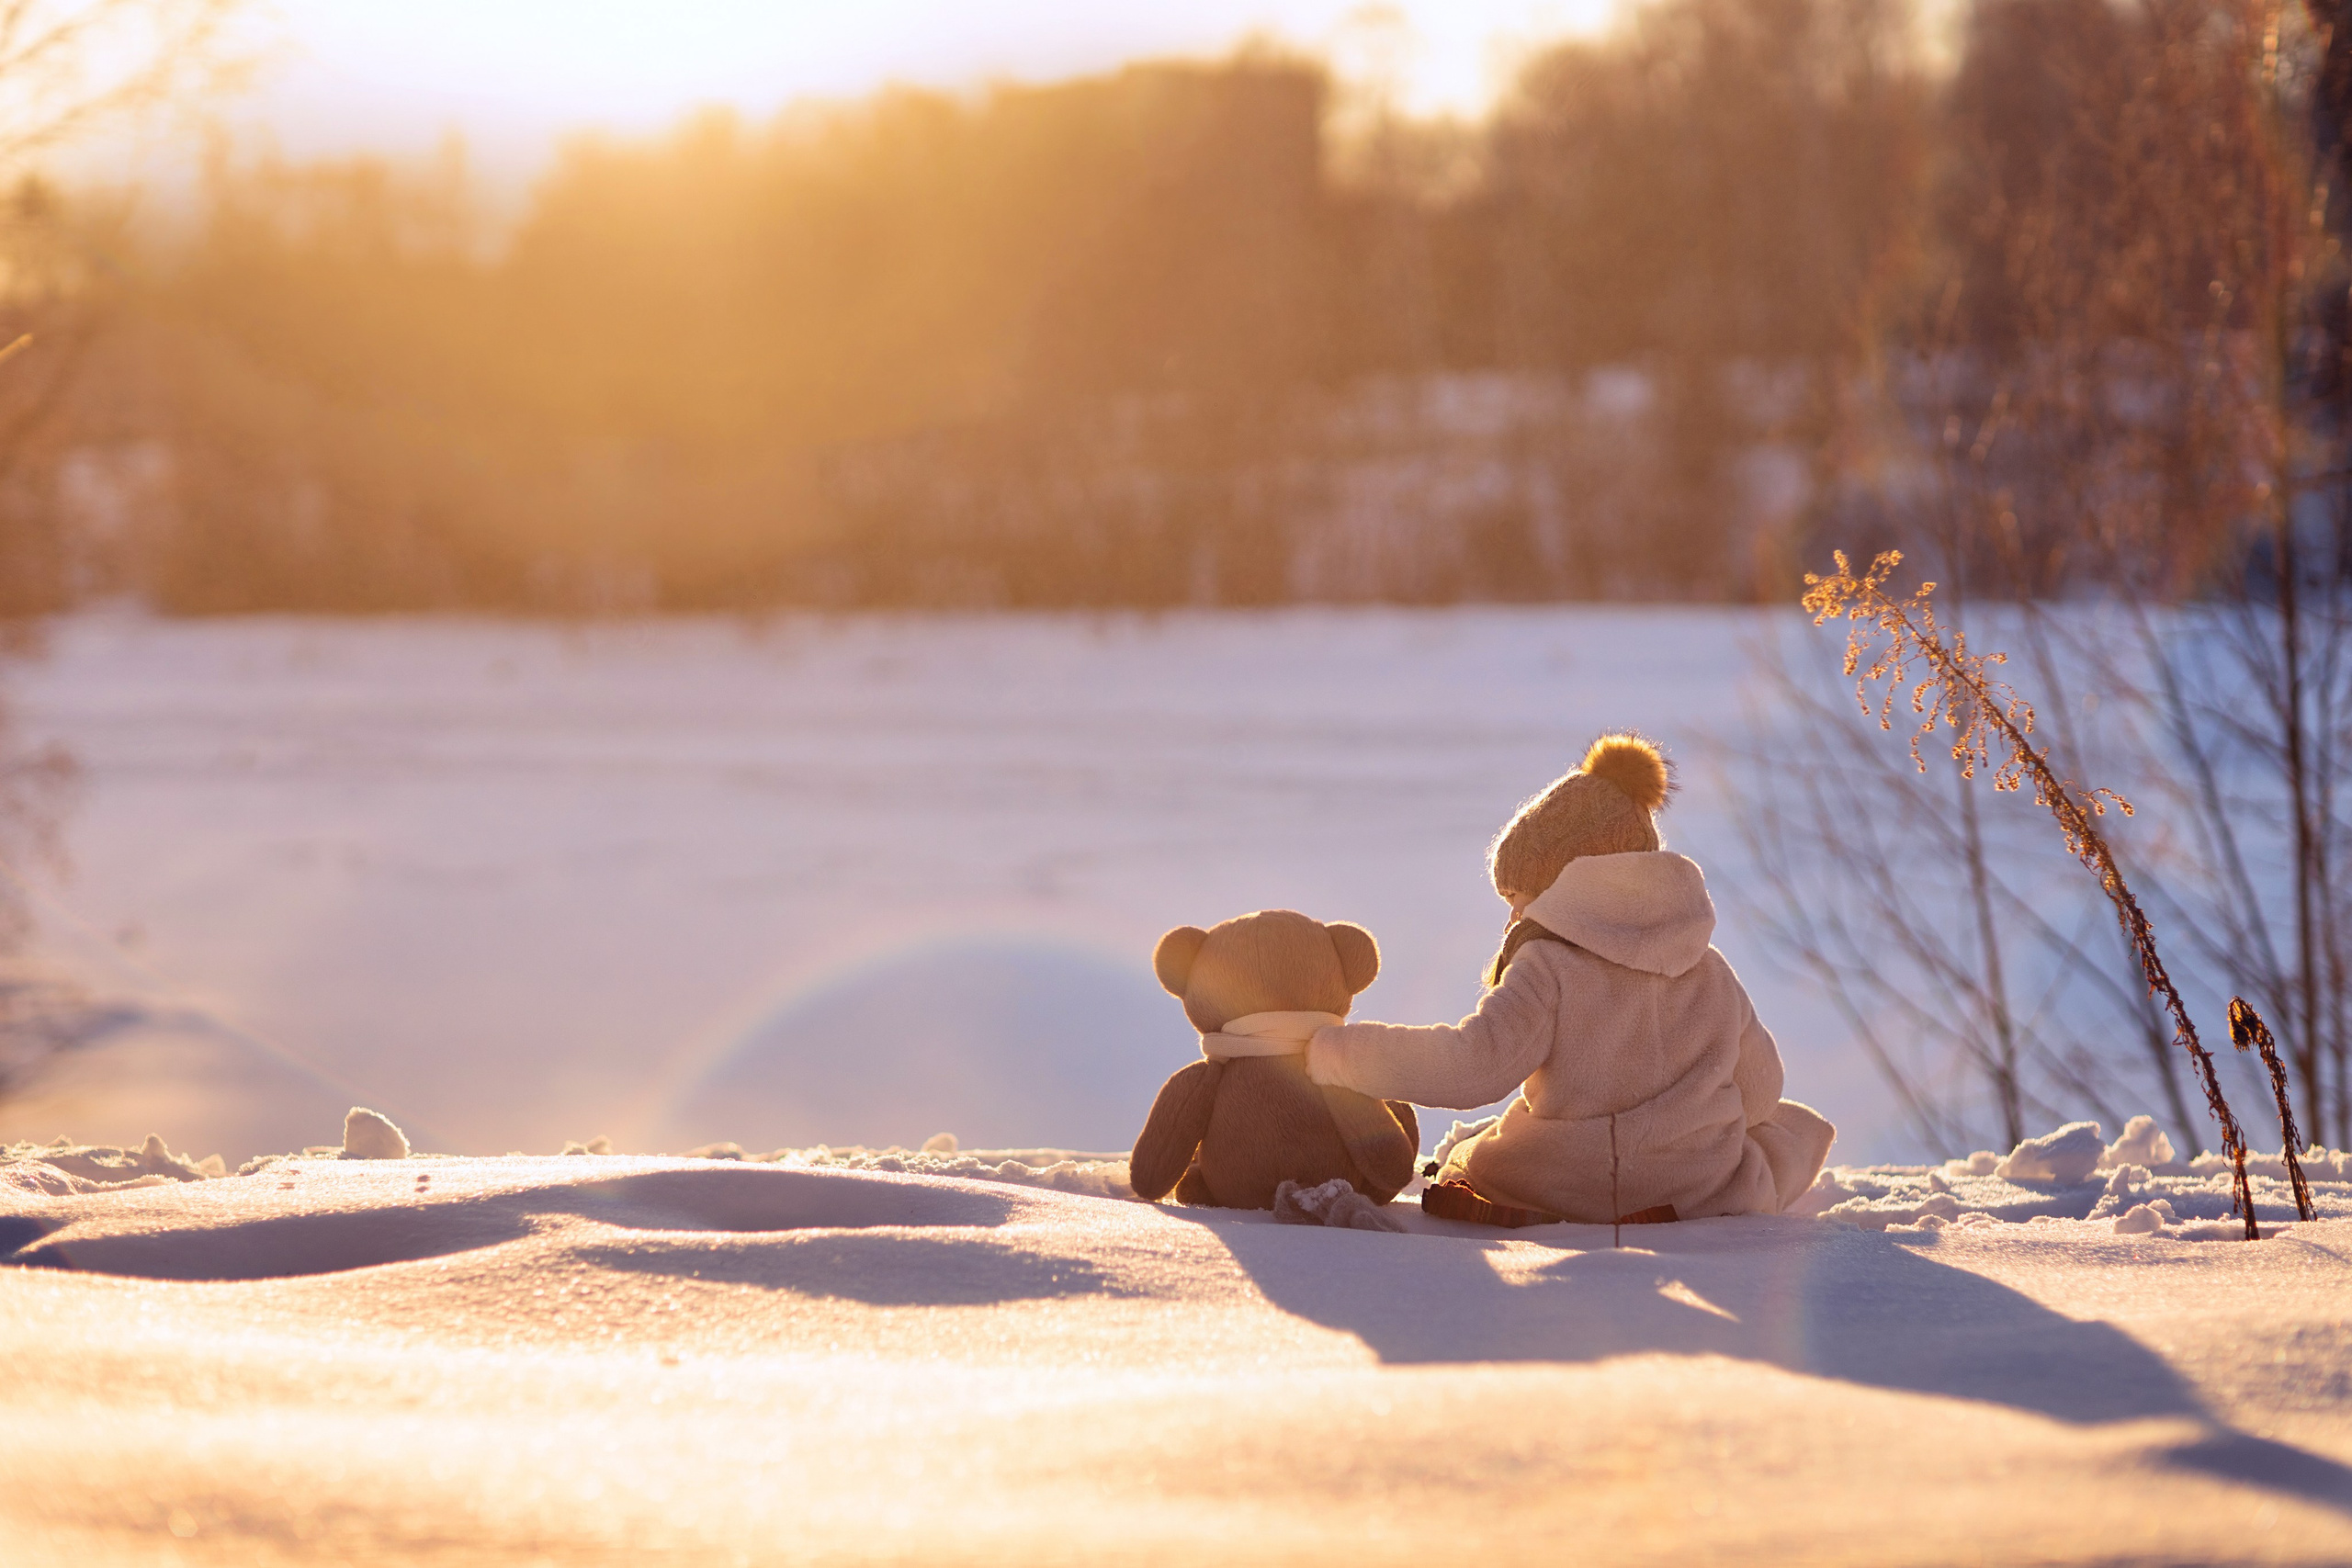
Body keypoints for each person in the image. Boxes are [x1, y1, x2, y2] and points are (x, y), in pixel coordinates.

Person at [1304, 733, 1834, 1226]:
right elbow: (1761, 1092)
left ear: (1566, 885)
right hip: (1696, 1191)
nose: (1512, 919)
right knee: (1787, 1129)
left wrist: (1341, 1053)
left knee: (1491, 1149)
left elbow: (1473, 1067)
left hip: (1562, 1184)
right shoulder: (1710, 971)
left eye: (1517, 899)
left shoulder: (1547, 967)